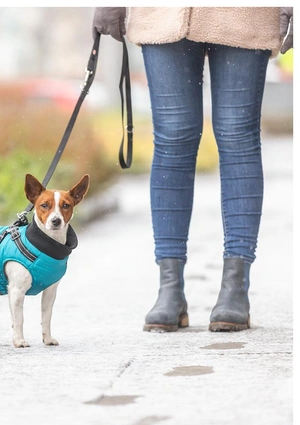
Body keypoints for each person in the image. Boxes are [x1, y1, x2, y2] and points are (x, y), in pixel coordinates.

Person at [93, 7, 293, 332]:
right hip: (163, 14)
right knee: (172, 138)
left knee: (237, 135)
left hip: (245, 13)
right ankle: (169, 289)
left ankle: (235, 287)